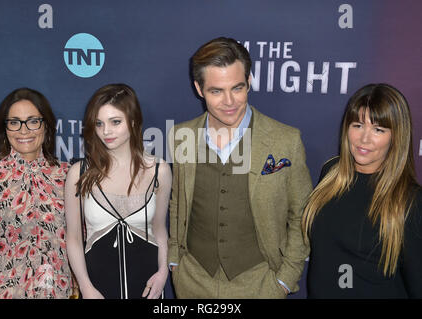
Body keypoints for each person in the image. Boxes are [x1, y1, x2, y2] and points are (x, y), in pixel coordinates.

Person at [167, 37, 312, 298]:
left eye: (238, 87)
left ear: (249, 82)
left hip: (259, 284)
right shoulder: (182, 135)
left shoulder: (285, 140)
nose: (229, 101)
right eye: (216, 91)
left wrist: (283, 281)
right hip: (193, 282)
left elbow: (302, 215)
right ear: (199, 89)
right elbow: (179, 202)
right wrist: (176, 263)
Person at [302, 83, 422, 298]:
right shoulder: (331, 173)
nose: (364, 139)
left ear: (396, 136)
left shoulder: (410, 200)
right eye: (357, 125)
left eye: (378, 129)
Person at [65, 83, 172, 299]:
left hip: (147, 287)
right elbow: (74, 237)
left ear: (133, 122)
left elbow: (159, 229)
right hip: (97, 289)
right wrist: (86, 288)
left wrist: (163, 273)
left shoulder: (159, 170)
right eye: (99, 123)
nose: (106, 131)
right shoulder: (79, 173)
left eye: (115, 122)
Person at [0, 88, 72, 298]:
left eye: (33, 121)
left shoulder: (68, 176)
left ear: (46, 126)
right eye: (14, 122)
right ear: (5, 129)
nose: (23, 130)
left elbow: (79, 244)